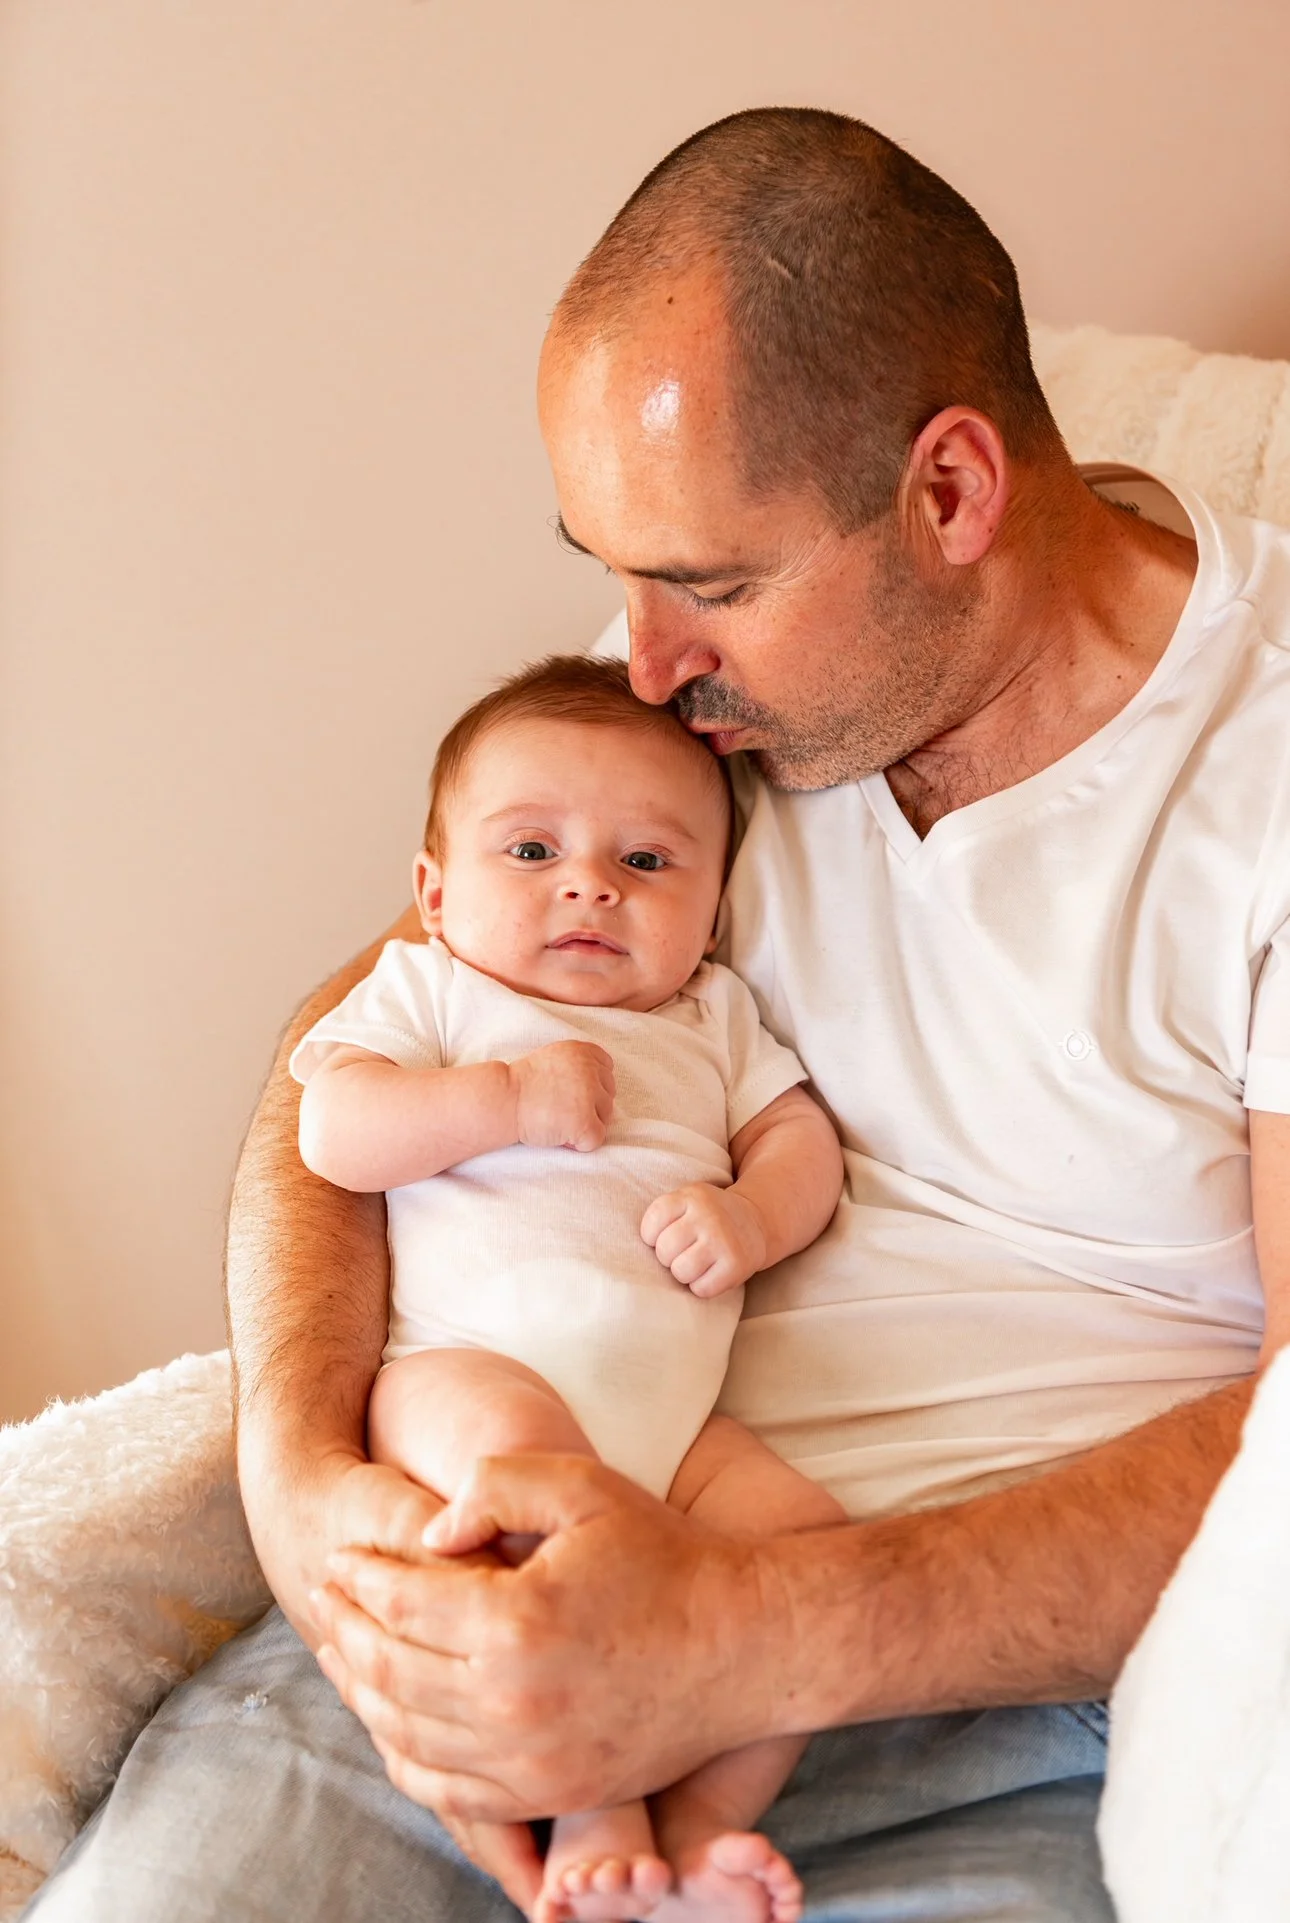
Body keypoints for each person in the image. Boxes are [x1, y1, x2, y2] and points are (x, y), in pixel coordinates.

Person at [26, 105, 1290, 1923]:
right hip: (505, 1582)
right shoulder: (715, 722)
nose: (639, 660)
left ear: (950, 493)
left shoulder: (1262, 777)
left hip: (982, 1700)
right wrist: (302, 1484)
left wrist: (734, 1631)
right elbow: (372, 1021)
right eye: (615, 571)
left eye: (702, 583)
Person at [288, 653, 845, 1923]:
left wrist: (750, 1218)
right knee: (543, 1478)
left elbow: (798, 1143)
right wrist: (503, 1097)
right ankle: (600, 1811)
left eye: (646, 863)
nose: (590, 883)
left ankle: (696, 1843)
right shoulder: (436, 991)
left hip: (673, 1431)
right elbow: (336, 1132)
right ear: (434, 893)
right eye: (531, 851)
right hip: (472, 1384)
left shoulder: (713, 1018)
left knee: (808, 1550)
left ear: (711, 913)